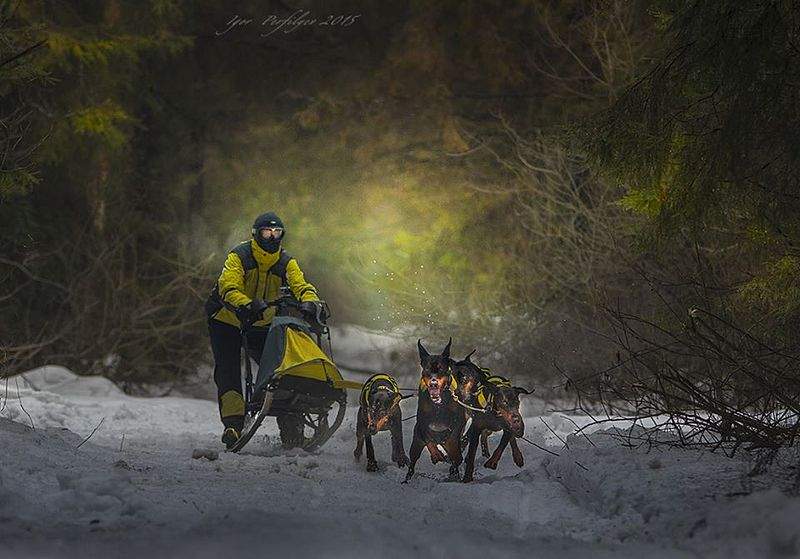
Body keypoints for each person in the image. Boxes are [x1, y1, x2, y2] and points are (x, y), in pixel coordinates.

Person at [205, 212, 323, 449]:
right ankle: (233, 425)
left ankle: (292, 433)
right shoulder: (239, 256)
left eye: (277, 232)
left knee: (281, 371)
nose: (272, 237)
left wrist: (311, 301)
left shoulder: (286, 262)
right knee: (228, 369)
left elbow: (301, 285)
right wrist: (247, 303)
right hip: (226, 320)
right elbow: (228, 286)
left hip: (260, 323)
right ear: (255, 234)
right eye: (266, 232)